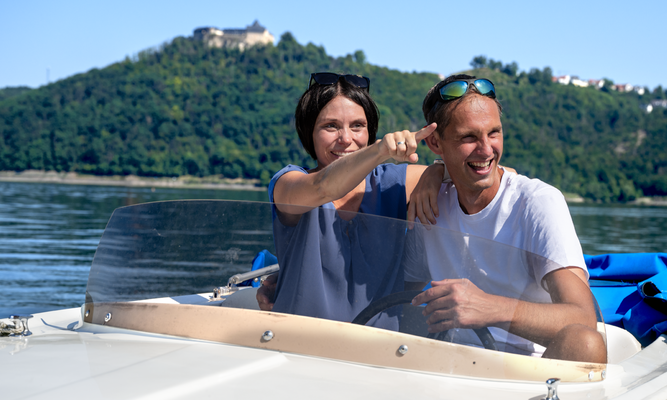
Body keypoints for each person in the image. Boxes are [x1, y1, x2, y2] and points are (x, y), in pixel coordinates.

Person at [406, 74, 607, 363]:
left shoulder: (538, 203)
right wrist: (434, 171)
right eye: (469, 137)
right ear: (435, 143)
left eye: (494, 133)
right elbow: (402, 297)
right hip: (444, 367)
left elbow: (584, 319)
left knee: (586, 343)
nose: (486, 150)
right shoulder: (428, 201)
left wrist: (490, 308)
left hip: (525, 375)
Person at [257, 72, 444, 330]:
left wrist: (437, 170)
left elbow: (494, 175)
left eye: (357, 126)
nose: (346, 139)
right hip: (297, 345)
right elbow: (323, 188)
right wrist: (379, 151)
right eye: (330, 126)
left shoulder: (393, 182)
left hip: (380, 352)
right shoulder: (288, 183)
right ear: (308, 131)